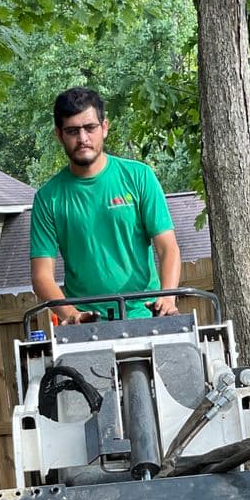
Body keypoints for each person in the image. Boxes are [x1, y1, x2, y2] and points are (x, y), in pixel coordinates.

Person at [30, 87, 182, 324]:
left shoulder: (139, 177)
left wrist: (168, 297)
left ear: (104, 128)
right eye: (72, 131)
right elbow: (41, 275)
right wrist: (72, 316)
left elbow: (167, 248)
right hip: (85, 326)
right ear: (59, 135)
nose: (83, 139)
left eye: (90, 128)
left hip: (146, 316)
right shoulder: (48, 198)